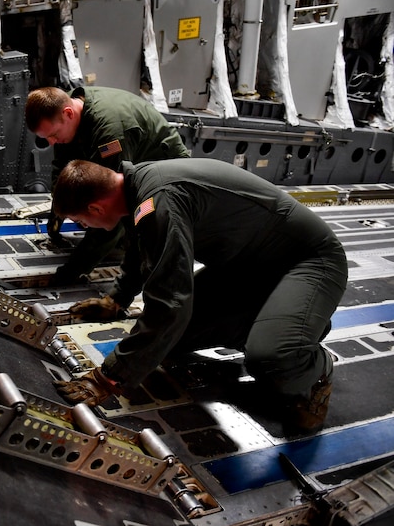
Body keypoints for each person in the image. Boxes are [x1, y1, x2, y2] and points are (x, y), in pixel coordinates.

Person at [50, 158, 348, 433]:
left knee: (271, 357)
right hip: (250, 267)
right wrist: (117, 299)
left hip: (309, 261)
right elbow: (144, 249)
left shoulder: (158, 200)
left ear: (95, 209)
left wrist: (108, 378)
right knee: (169, 341)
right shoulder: (135, 188)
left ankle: (309, 362)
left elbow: (170, 303)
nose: (85, 227)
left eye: (81, 221)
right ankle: (285, 325)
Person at [24, 86, 190, 284]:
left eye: (53, 135)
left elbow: (110, 205)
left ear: (68, 113)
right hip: (134, 160)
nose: (51, 143)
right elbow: (62, 170)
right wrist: (60, 211)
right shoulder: (66, 112)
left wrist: (72, 271)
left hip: (166, 172)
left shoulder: (110, 135)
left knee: (138, 233)